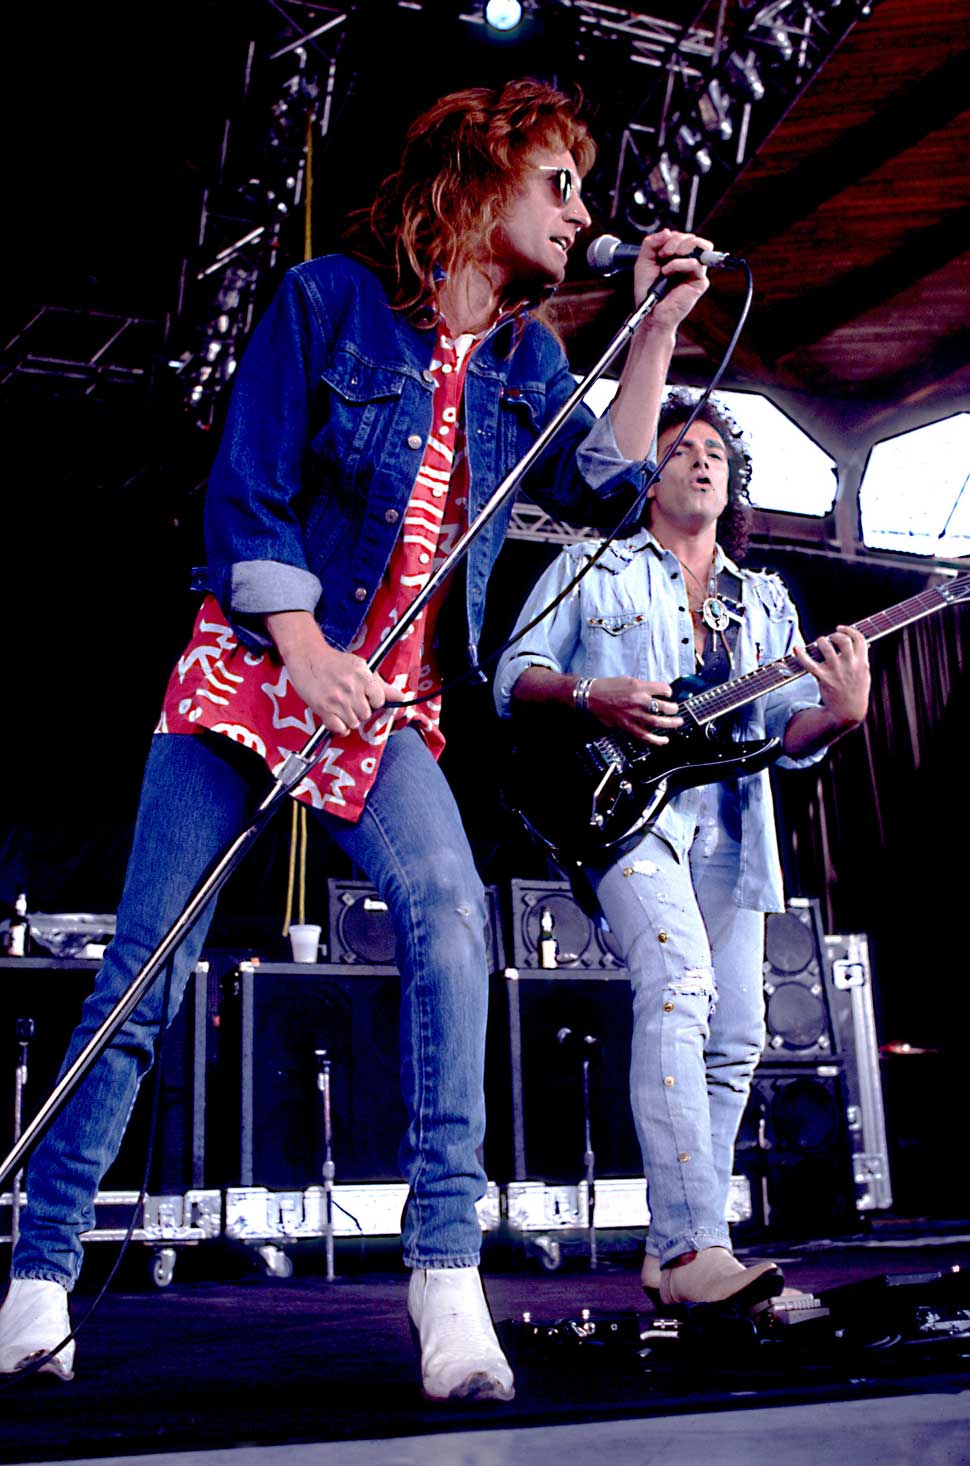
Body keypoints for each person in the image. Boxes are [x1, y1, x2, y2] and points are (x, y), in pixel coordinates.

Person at [0, 79, 715, 1395]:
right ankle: (39, 1277)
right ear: (477, 174)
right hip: (247, 683)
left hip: (380, 716)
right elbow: (247, 494)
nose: (581, 211)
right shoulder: (325, 301)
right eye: (556, 182)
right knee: (144, 978)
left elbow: (608, 491)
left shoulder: (528, 360)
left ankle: (445, 1276)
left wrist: (655, 331)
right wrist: (308, 650)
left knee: (450, 915)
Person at [494, 390, 871, 1311]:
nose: (703, 459)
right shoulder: (594, 565)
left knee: (735, 1038)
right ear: (649, 473)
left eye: (717, 450)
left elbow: (783, 729)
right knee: (678, 984)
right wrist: (596, 694)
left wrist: (840, 713)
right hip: (624, 815)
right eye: (682, 447)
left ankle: (676, 1258)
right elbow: (514, 676)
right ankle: (700, 1243)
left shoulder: (765, 600)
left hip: (733, 826)